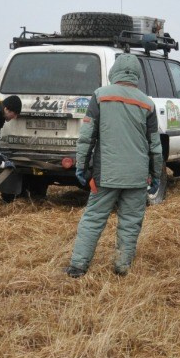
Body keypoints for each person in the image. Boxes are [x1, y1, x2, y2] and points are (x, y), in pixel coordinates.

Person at [66, 53, 163, 278]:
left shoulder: (100, 96)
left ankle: (78, 267)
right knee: (130, 222)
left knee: (93, 218)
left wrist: (81, 166)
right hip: (137, 177)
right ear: (136, 74)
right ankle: (122, 267)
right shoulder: (147, 103)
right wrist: (155, 174)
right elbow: (154, 146)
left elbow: (87, 137)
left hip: (106, 174)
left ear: (114, 72)